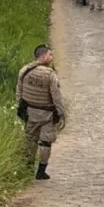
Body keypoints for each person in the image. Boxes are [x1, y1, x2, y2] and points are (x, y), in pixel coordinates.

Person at [16, 44, 66, 181]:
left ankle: (28, 168)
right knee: (45, 143)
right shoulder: (50, 75)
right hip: (46, 115)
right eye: (50, 54)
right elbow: (56, 97)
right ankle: (41, 171)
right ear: (43, 56)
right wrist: (62, 114)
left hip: (30, 113)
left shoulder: (24, 70)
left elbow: (19, 93)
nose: (51, 57)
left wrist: (20, 110)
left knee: (30, 140)